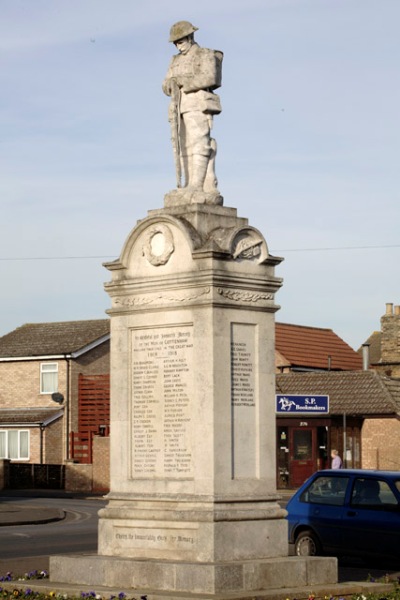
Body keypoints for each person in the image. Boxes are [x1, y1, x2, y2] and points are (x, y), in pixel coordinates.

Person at [162, 21, 223, 204]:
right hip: (178, 107)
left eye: (180, 41)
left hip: (197, 104)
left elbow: (210, 77)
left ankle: (198, 186)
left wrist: (182, 82)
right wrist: (169, 85)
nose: (177, 46)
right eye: (175, 43)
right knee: (183, 147)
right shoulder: (175, 60)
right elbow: (165, 84)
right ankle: (187, 185)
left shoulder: (205, 54)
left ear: (190, 37)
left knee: (199, 144)